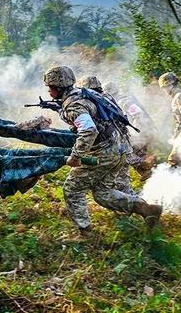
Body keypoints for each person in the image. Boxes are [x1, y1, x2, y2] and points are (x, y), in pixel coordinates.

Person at [44, 66, 162, 237]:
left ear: (57, 87)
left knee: (72, 188)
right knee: (102, 193)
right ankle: (147, 209)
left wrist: (76, 156)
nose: (48, 91)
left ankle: (86, 233)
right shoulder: (87, 94)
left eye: (50, 87)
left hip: (104, 153)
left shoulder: (74, 104)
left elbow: (89, 130)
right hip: (119, 149)